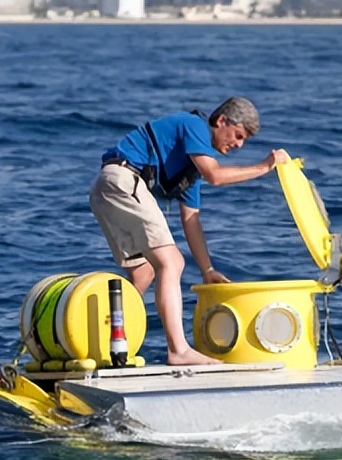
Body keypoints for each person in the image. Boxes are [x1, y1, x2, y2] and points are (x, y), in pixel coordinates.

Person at [89, 97, 290, 365]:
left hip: (107, 187)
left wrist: (207, 270)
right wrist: (265, 166)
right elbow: (215, 176)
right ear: (221, 121)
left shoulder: (190, 170)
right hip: (124, 180)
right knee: (172, 262)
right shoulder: (195, 125)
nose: (239, 145)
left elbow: (191, 220)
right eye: (238, 135)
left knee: (144, 272)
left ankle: (105, 344)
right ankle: (178, 350)